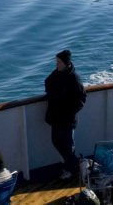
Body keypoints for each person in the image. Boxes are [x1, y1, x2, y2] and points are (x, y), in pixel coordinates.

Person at [45, 49, 87, 180]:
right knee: (56, 141)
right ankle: (77, 164)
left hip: (67, 120)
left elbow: (81, 99)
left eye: (58, 62)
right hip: (56, 117)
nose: (56, 64)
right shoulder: (57, 74)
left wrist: (68, 111)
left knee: (68, 146)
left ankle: (71, 169)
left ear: (65, 63)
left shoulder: (74, 78)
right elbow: (47, 82)